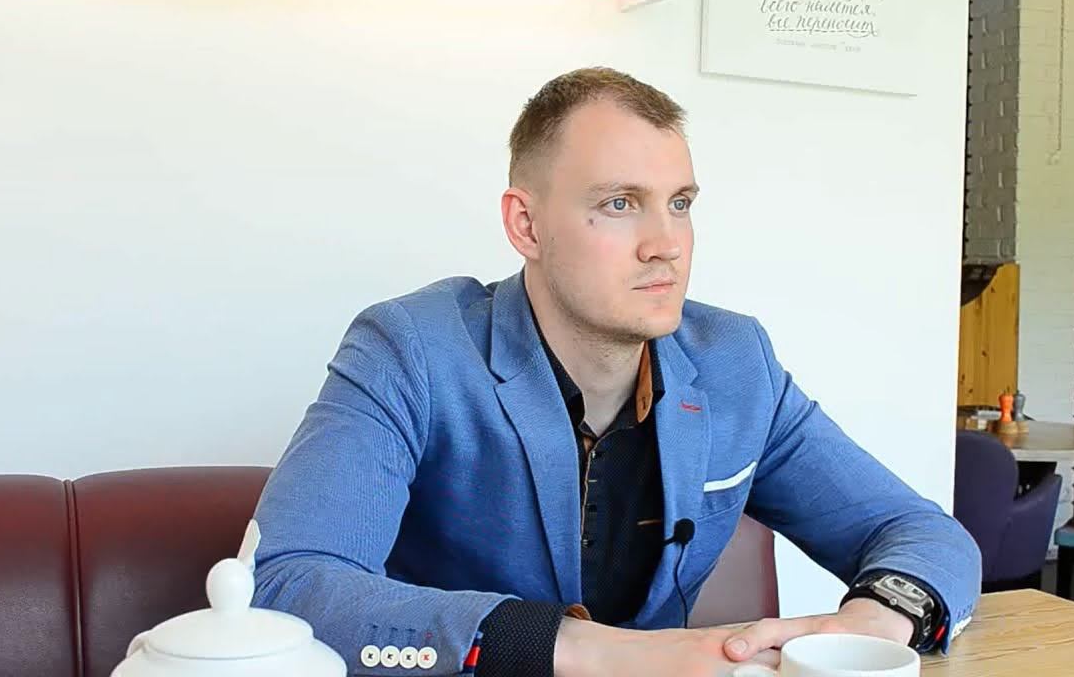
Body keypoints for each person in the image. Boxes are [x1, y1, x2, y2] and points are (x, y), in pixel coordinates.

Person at [251, 67, 980, 676]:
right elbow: (291, 584)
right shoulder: (411, 347)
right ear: (526, 225)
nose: (666, 244)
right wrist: (592, 651)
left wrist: (877, 619)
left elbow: (919, 531)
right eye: (620, 203)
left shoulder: (736, 361)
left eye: (680, 204)